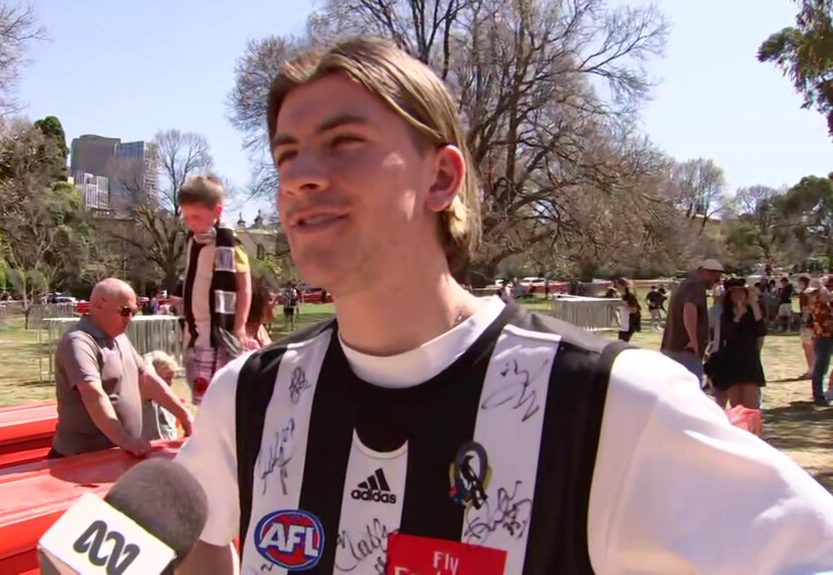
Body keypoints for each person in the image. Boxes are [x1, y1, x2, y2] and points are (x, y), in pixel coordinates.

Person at [173, 38, 833, 574]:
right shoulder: (247, 397)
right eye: (286, 152)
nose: (300, 173)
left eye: (344, 141)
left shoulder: (608, 400)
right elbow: (193, 542)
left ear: (441, 177)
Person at [51, 278, 192, 458]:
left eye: (134, 312)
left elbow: (146, 379)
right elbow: (93, 395)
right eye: (125, 311)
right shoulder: (79, 342)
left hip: (118, 454)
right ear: (100, 304)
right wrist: (125, 440)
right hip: (81, 459)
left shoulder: (119, 338)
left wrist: (184, 416)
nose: (130, 319)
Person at [176, 175, 257, 406]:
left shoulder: (228, 245)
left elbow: (243, 286)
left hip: (217, 334)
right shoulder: (193, 241)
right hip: (195, 334)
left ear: (217, 211)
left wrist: (240, 327)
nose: (190, 222)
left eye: (197, 216)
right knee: (201, 398)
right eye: (187, 216)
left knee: (218, 401)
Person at [704, 279, 766, 409]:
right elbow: (727, 335)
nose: (738, 296)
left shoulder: (752, 311)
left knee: (751, 406)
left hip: (750, 361)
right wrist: (737, 318)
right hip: (731, 362)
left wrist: (753, 303)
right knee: (737, 406)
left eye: (741, 292)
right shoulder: (724, 313)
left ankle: (751, 430)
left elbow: (761, 330)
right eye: (734, 293)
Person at [660, 259, 724, 384]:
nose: (716, 280)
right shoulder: (695, 285)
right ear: (704, 272)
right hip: (685, 349)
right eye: (715, 275)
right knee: (690, 388)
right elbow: (689, 309)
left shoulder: (686, 284)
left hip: (674, 347)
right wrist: (694, 341)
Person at [140, 351, 180, 441]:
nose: (171, 382)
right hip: (153, 449)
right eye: (167, 378)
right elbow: (147, 371)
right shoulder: (145, 395)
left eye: (173, 377)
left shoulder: (169, 396)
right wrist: (150, 357)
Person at [807, 278, 833, 406]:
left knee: (822, 366)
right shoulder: (816, 300)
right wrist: (822, 286)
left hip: (828, 335)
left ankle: (825, 392)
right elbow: (825, 296)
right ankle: (818, 395)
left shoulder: (826, 302)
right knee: (821, 367)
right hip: (823, 337)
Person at [797, 274, 815, 379]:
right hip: (812, 323)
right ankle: (812, 369)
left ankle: (811, 370)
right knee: (809, 347)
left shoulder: (805, 294)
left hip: (808, 324)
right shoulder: (811, 293)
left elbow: (805, 309)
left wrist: (804, 320)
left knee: (808, 347)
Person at [616, 278, 641, 342]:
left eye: (618, 285)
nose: (617, 287)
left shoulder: (630, 296)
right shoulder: (621, 296)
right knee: (621, 341)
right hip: (623, 323)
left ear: (623, 286)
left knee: (622, 341)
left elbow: (634, 310)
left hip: (630, 323)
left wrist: (624, 304)